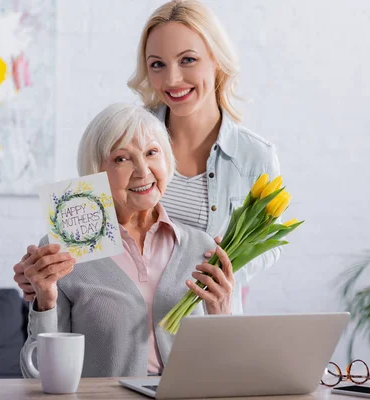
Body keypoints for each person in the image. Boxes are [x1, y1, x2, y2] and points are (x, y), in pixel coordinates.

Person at [13, 0, 281, 315]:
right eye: (157, 64)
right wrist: (46, 275)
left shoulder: (255, 156)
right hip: (123, 329)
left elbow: (269, 245)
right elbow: (84, 243)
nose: (172, 80)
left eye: (188, 60)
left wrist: (226, 265)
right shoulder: (125, 136)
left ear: (217, 60)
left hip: (206, 324)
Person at [20, 103, 234, 378]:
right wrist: (46, 300)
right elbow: (39, 373)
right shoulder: (65, 250)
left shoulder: (200, 246)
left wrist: (221, 313)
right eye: (122, 158)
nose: (143, 171)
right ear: (96, 171)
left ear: (167, 160)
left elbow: (225, 369)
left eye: (152, 153)